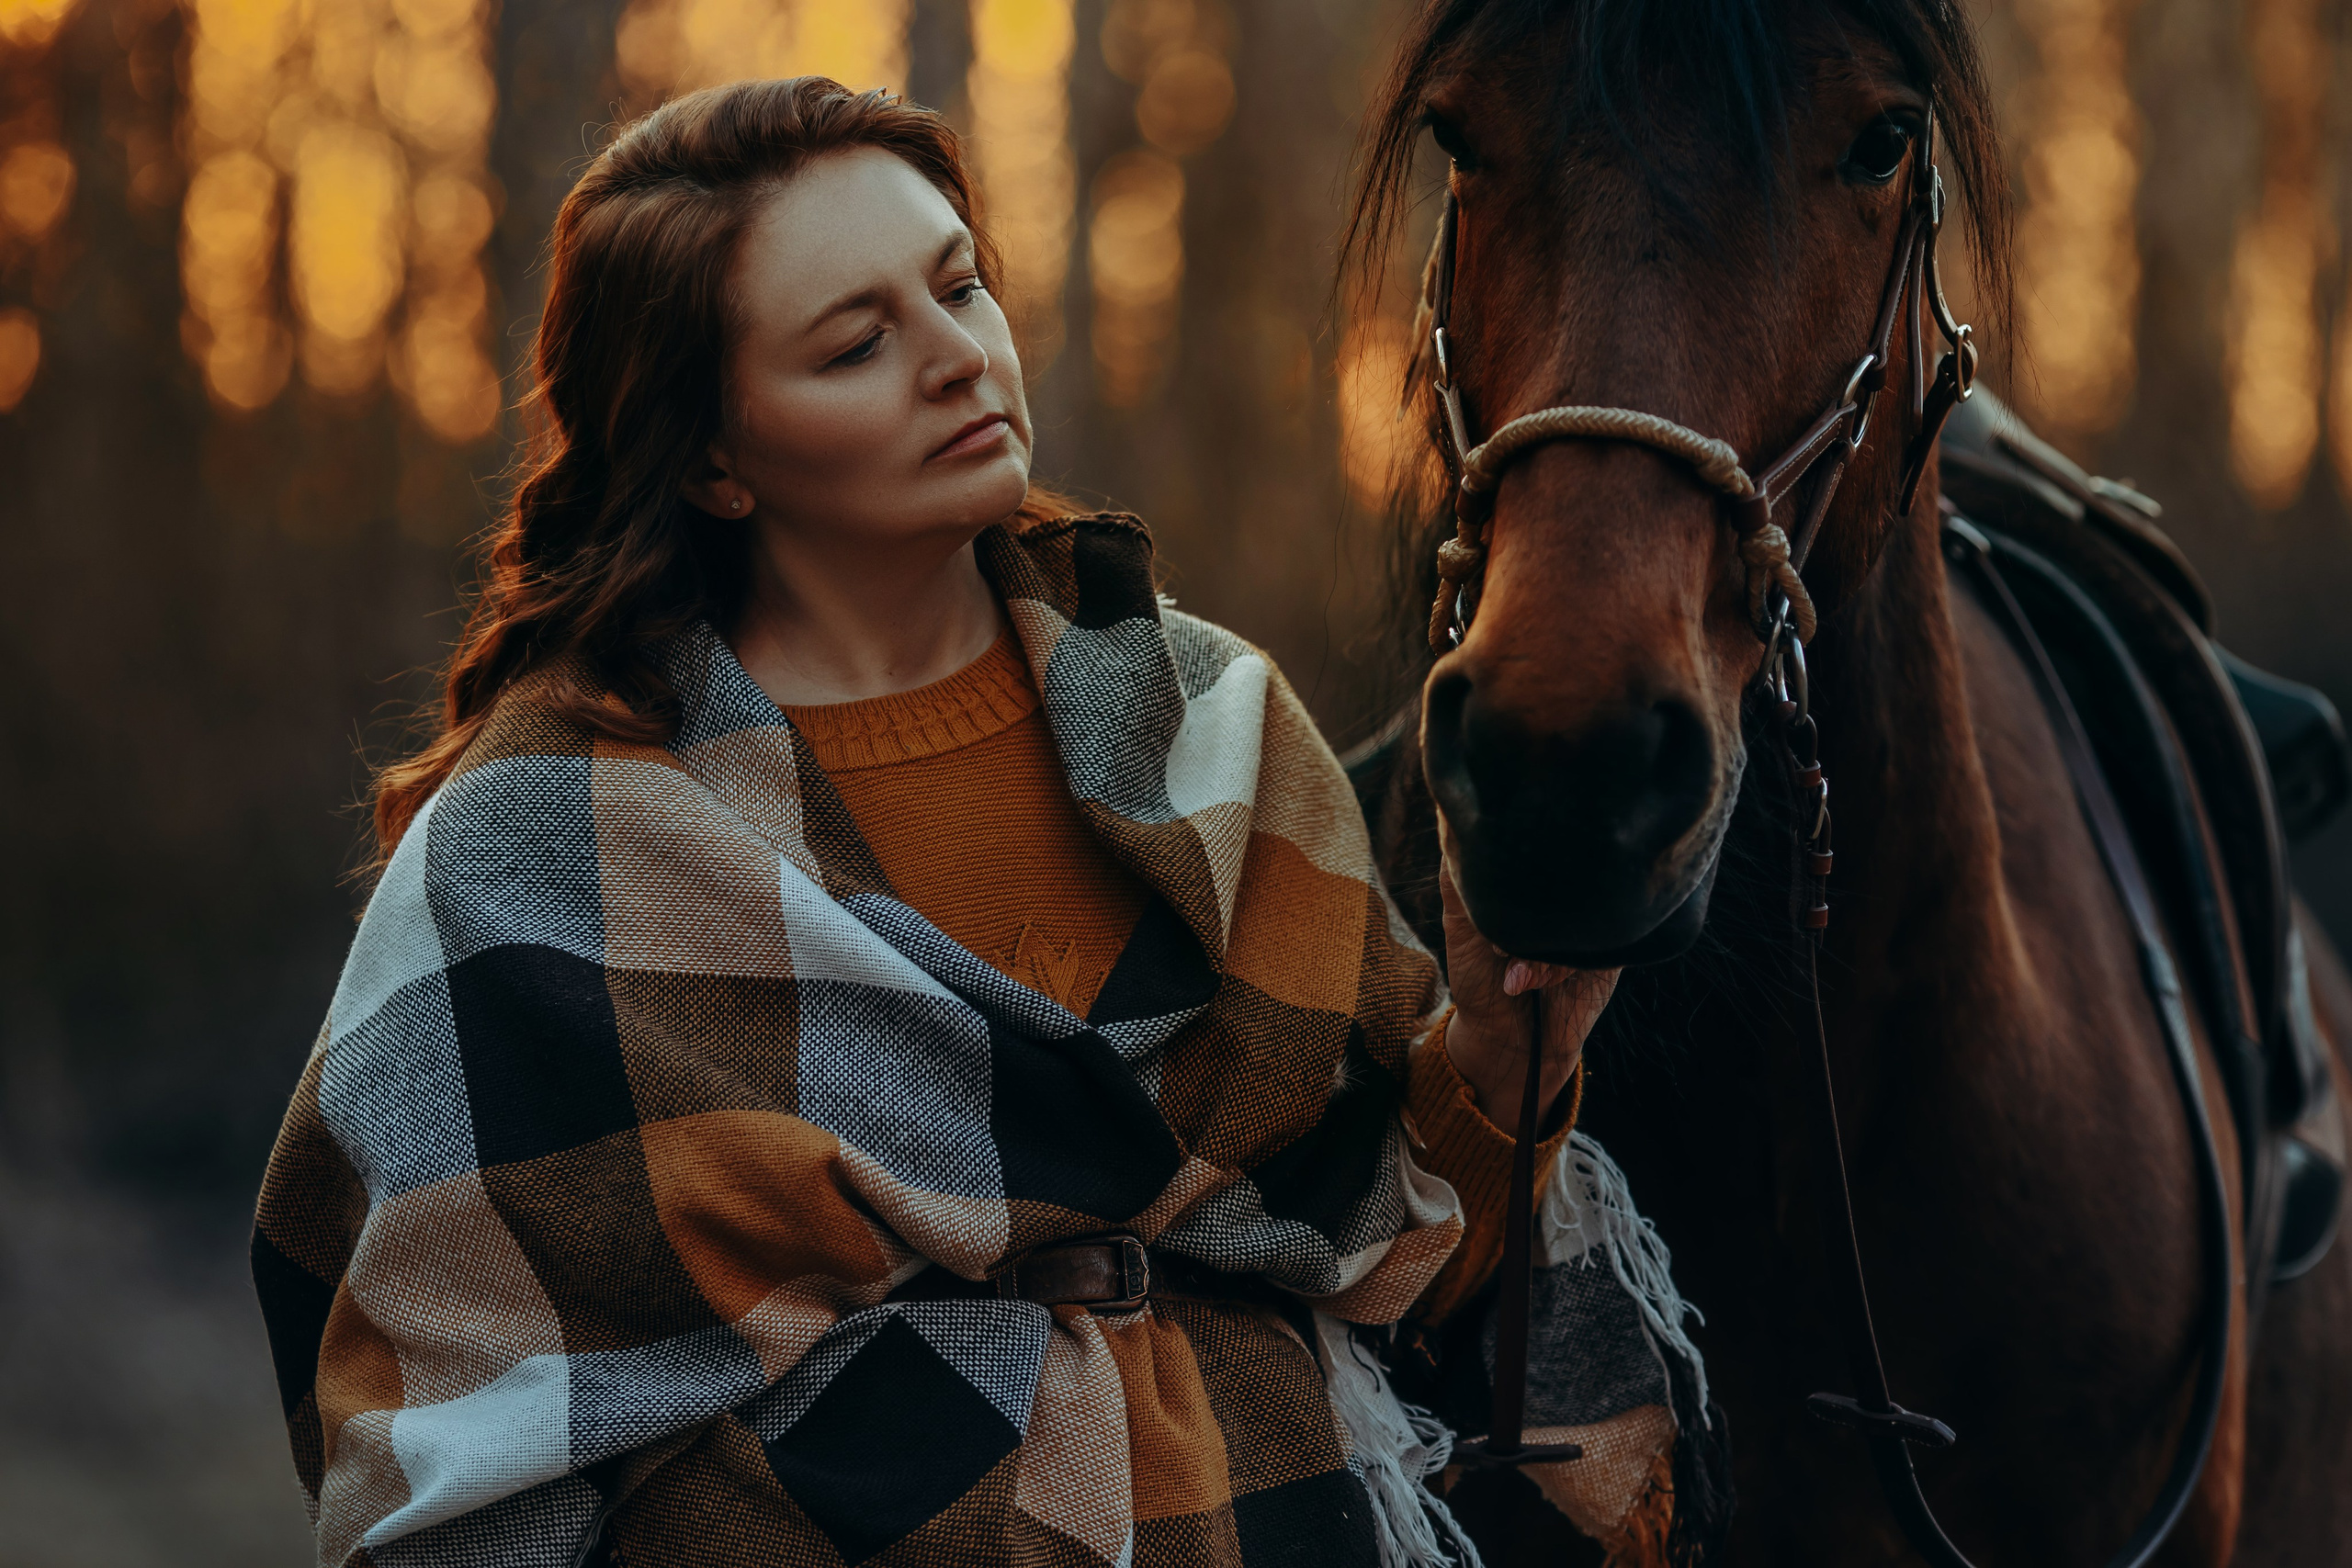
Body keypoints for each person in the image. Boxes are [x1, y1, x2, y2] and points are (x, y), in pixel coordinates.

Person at [250, 77, 1697, 1568]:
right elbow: (448, 1433)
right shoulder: (544, 844)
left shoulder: (1214, 727)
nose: (957, 359)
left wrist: (1505, 1046)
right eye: (856, 344)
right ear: (712, 458)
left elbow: (1415, 1269)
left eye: (960, 288)